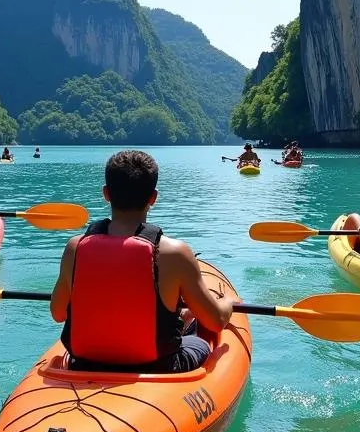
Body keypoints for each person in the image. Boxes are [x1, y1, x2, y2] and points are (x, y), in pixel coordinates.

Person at [49, 149, 235, 373]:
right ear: (153, 198)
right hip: (157, 365)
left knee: (185, 319)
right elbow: (216, 321)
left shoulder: (75, 248)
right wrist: (228, 303)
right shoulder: (176, 253)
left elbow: (58, 313)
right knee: (200, 341)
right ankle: (183, 320)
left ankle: (182, 319)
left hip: (86, 362)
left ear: (106, 194)